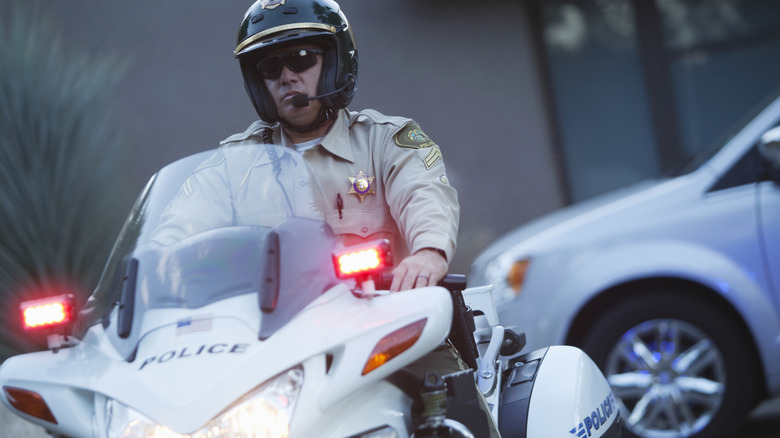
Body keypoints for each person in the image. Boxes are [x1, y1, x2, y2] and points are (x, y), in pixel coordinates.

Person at [225, 1, 499, 436]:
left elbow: (425, 194)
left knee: (457, 411)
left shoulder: (388, 139)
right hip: (280, 345)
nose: (286, 76)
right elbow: (176, 228)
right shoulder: (234, 163)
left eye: (301, 59)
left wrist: (428, 252)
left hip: (391, 330)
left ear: (335, 62)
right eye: (270, 66)